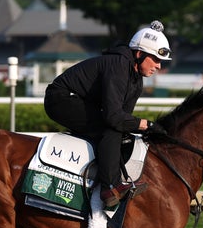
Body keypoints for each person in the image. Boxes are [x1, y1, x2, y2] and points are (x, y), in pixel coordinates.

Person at [44, 20, 170, 208]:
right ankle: (109, 188)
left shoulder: (136, 81)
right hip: (61, 98)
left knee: (119, 131)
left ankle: (118, 179)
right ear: (139, 54)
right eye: (156, 59)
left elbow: (123, 120)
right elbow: (114, 118)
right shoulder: (119, 65)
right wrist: (147, 125)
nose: (159, 66)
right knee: (109, 127)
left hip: (80, 100)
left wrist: (143, 127)